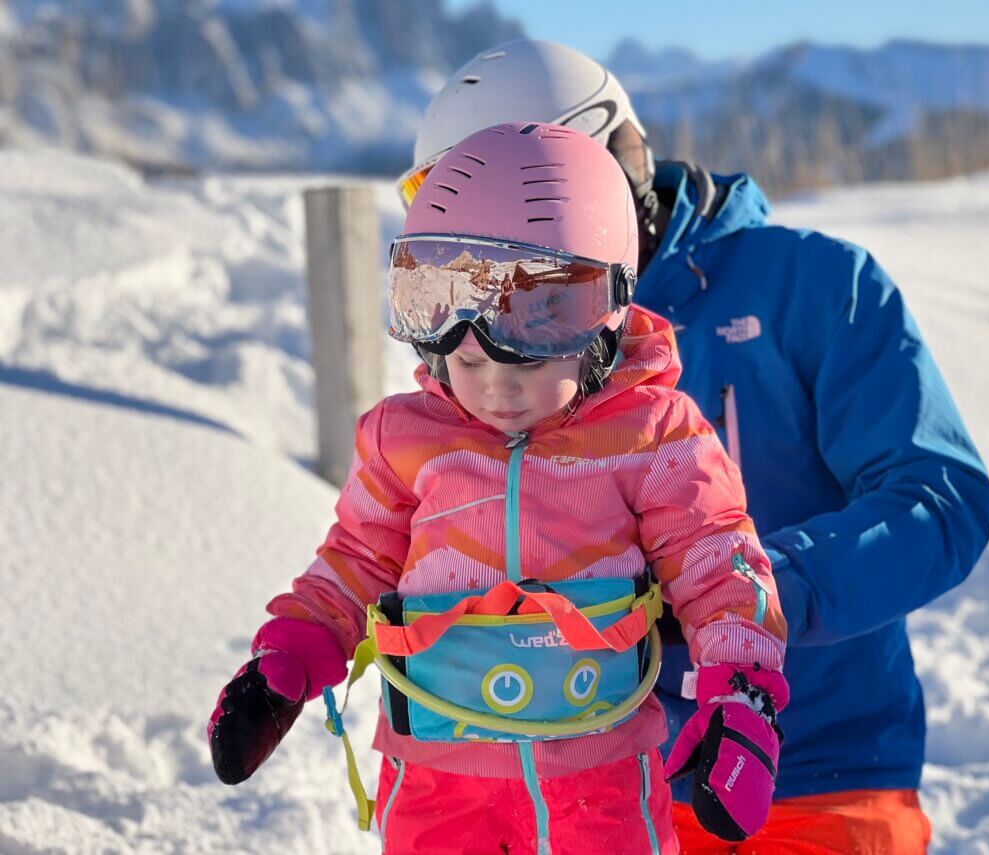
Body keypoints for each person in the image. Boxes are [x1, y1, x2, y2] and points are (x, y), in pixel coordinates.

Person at [396, 40, 989, 854]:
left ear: (602, 172)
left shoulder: (815, 287)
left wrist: (744, 595)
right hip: (591, 786)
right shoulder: (498, 350)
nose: (493, 268)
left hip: (815, 778)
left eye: (513, 219)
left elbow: (939, 499)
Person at [208, 122, 791, 855]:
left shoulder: (650, 431)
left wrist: (742, 692)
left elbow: (718, 561)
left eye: (525, 364)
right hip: (434, 782)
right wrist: (289, 654)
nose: (495, 394)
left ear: (602, 323)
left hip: (597, 778)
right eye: (472, 367)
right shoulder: (406, 438)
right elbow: (356, 561)